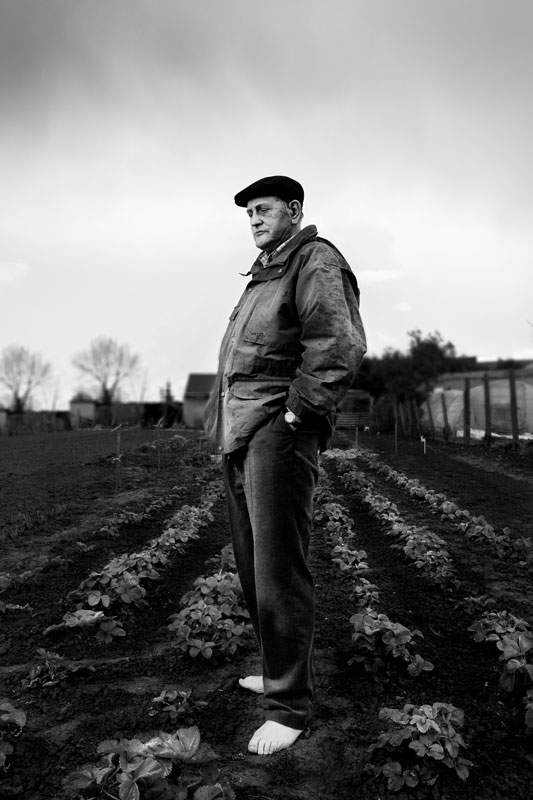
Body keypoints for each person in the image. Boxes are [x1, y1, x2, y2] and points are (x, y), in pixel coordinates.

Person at [204, 175, 366, 755]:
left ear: (293, 210)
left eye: (263, 208)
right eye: (248, 211)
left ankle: (289, 708)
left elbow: (337, 343)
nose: (253, 218)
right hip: (241, 430)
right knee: (253, 564)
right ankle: (277, 673)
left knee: (279, 567)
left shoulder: (314, 259)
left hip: (277, 428)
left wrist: (296, 415)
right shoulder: (264, 272)